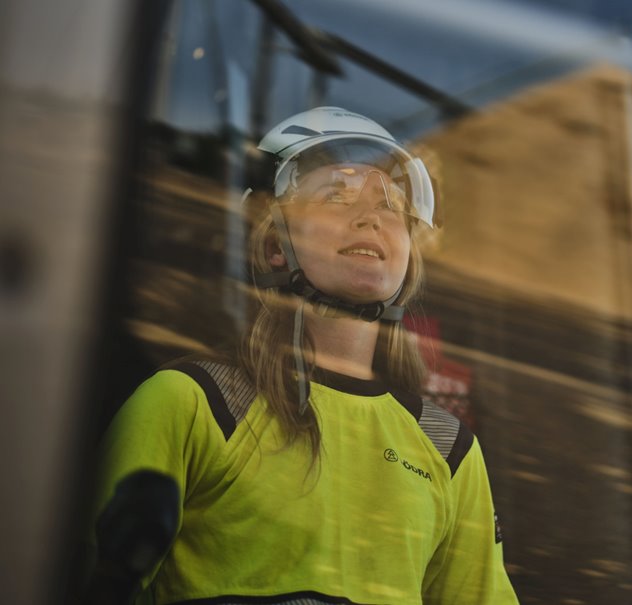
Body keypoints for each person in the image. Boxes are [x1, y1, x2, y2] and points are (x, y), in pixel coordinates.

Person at [88, 107, 519, 604]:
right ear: (276, 245)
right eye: (335, 195)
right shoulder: (192, 403)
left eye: (392, 204)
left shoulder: (449, 449)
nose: (370, 217)